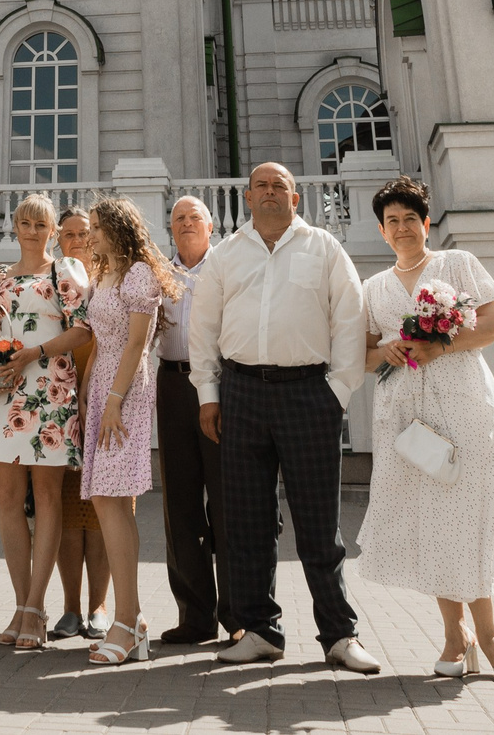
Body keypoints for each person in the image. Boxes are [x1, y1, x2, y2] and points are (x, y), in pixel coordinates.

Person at [191, 162, 378, 673]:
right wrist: (209, 393)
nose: (270, 193)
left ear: (295, 197)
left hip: (308, 395)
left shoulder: (324, 248)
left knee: (320, 526)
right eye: (261, 186)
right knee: (247, 523)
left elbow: (349, 318)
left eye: (280, 186)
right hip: (241, 395)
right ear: (247, 196)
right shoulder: (225, 255)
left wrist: (337, 391)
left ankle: (340, 636)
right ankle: (259, 632)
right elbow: (203, 326)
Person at [357, 175, 494, 684]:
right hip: (406, 421)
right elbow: (360, 358)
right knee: (432, 521)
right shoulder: (373, 288)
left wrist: (439, 346)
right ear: (382, 232)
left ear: (426, 223)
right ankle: (456, 635)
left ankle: (491, 634)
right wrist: (384, 352)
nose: (403, 228)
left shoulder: (458, 264)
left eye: (411, 218)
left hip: (465, 407)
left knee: (471, 517)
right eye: (393, 222)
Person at [0, 194, 92, 651]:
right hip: (6, 392)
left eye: (40, 223)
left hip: (49, 390)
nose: (31, 229)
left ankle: (37, 606)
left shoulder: (64, 272)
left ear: (51, 231)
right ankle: (22, 604)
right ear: (15, 227)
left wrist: (36, 353)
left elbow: (83, 329)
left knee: (46, 497)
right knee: (6, 499)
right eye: (24, 222)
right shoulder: (0, 277)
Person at [78, 197, 181, 666]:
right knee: (108, 502)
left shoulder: (139, 274)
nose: (90, 235)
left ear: (119, 228)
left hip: (127, 393)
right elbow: (99, 340)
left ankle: (127, 620)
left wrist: (114, 402)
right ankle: (131, 621)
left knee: (112, 500)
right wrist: (86, 393)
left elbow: (137, 344)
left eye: (97, 227)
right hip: (102, 390)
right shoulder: (103, 276)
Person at [154, 194, 224, 645]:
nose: (185, 223)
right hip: (171, 384)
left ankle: (241, 615)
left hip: (220, 387)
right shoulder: (159, 272)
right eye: (177, 218)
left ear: (211, 225)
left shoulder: (228, 266)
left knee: (228, 501)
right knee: (179, 504)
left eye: (193, 216)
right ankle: (195, 617)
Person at [50, 206, 107, 641]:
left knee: (105, 511)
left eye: (84, 233)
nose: (77, 241)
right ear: (58, 240)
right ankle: (70, 608)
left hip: (107, 405)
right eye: (68, 234)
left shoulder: (111, 280)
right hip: (61, 405)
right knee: (70, 511)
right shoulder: (54, 282)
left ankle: (100, 607)